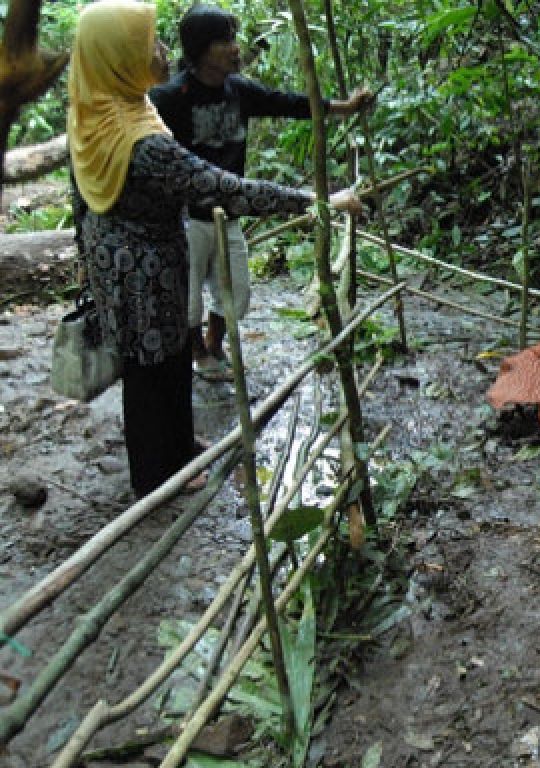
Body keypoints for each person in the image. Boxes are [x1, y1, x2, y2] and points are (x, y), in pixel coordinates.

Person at [68, 0, 362, 498]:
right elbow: (222, 187)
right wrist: (319, 200)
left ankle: (179, 445)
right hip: (143, 266)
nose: (160, 50)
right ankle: (155, 476)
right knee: (149, 370)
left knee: (170, 355)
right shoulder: (141, 139)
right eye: (148, 43)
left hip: (128, 257)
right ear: (118, 56)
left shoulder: (106, 109)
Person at [149, 3, 373, 381]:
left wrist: (345, 108)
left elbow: (290, 104)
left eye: (234, 39)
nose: (236, 48)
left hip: (230, 210)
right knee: (186, 301)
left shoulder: (239, 91)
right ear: (202, 49)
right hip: (186, 220)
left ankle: (215, 346)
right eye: (225, 41)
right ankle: (198, 353)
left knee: (236, 293)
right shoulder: (171, 98)